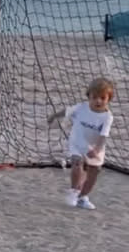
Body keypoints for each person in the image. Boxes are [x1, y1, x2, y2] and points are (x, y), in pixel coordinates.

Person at [47, 77, 114, 210]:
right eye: (94, 97)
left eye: (102, 98)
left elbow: (103, 136)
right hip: (77, 143)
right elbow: (66, 111)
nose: (98, 101)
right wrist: (54, 116)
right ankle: (74, 191)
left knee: (93, 173)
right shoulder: (81, 107)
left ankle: (82, 197)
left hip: (94, 148)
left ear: (108, 99)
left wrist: (97, 150)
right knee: (77, 163)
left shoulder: (107, 117)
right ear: (89, 96)